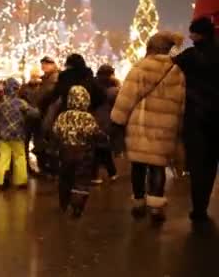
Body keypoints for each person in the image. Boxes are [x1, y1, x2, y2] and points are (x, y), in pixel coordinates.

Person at [112, 32, 186, 223]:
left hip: (141, 125)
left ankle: (138, 201)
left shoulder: (141, 66)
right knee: (157, 166)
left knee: (138, 165)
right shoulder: (177, 70)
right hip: (165, 128)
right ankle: (156, 205)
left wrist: (118, 120)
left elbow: (126, 96)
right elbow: (181, 102)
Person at [172, 17, 219, 223]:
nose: (190, 36)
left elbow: (170, 67)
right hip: (216, 117)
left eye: (193, 33)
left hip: (196, 117)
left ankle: (199, 207)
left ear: (200, 34)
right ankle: (203, 203)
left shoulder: (189, 57)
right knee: (211, 163)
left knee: (198, 163)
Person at [53, 86, 105, 218]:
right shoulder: (88, 117)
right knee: (81, 178)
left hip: (65, 150)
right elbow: (94, 132)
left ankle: (63, 202)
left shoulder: (63, 116)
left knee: (65, 177)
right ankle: (77, 205)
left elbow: (55, 130)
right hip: (84, 152)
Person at [0, 78, 38, 190]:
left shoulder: (1, 105)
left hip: (4, 136)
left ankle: (1, 181)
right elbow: (34, 114)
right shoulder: (21, 103)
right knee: (20, 157)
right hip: (18, 135)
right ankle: (21, 181)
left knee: (4, 157)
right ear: (16, 90)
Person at [91, 64, 120, 184]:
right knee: (102, 147)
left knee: (99, 147)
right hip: (105, 118)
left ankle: (108, 172)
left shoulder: (93, 85)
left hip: (94, 118)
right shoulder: (112, 89)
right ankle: (106, 173)